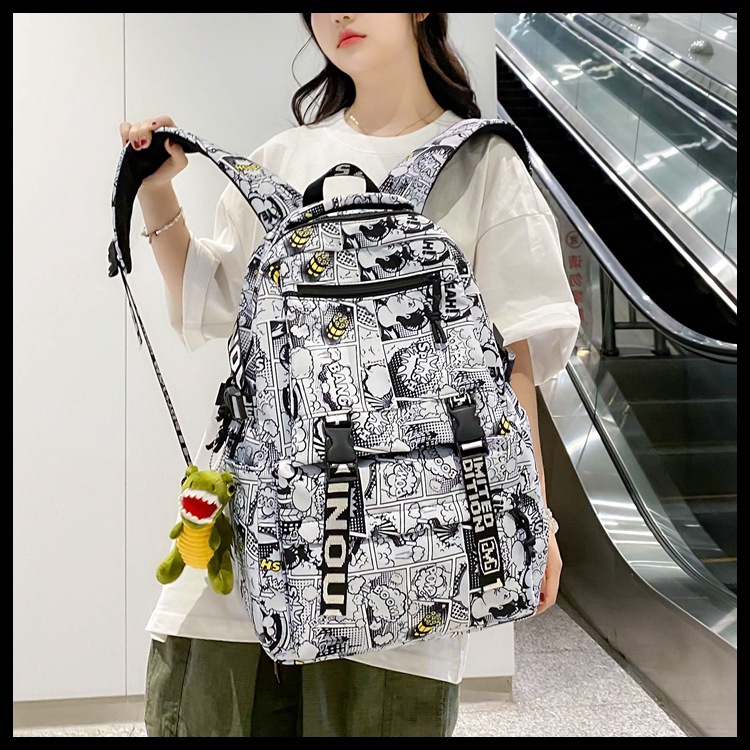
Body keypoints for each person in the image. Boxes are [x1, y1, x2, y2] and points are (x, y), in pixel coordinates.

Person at [120, 12, 580, 738]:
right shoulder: (280, 158)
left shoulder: (483, 163)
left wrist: (536, 516)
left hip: (409, 558)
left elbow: (514, 363)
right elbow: (206, 304)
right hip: (247, 542)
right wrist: (155, 192)